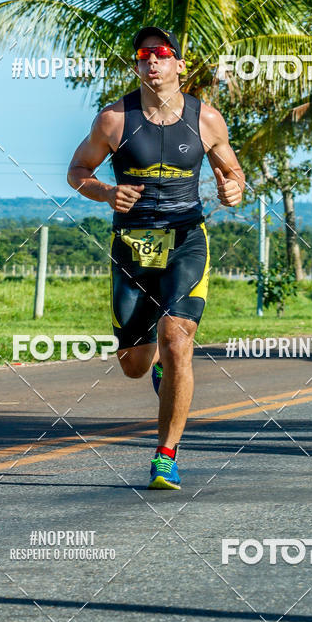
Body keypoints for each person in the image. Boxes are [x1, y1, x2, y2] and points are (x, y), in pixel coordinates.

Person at [67, 26, 245, 489]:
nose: (153, 62)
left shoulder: (206, 119)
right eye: (144, 55)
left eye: (162, 54)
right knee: (133, 364)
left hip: (187, 238)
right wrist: (107, 192)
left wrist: (232, 189)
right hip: (132, 247)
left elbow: (233, 175)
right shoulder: (113, 119)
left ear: (179, 64)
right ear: (136, 64)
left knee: (177, 338)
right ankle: (160, 365)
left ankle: (166, 455)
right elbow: (77, 171)